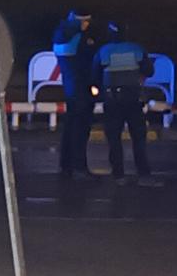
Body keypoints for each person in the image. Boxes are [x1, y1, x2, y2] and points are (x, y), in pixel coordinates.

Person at [96, 22, 153, 179]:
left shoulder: (103, 51)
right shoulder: (137, 49)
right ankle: (143, 174)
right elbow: (149, 70)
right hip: (133, 98)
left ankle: (118, 174)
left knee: (114, 138)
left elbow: (95, 74)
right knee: (138, 138)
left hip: (112, 99)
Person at [51, 10, 97, 178]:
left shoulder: (60, 35)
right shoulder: (81, 38)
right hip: (82, 88)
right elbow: (89, 62)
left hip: (69, 87)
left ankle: (66, 165)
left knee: (70, 127)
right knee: (81, 129)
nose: (87, 25)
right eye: (86, 22)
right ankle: (80, 168)